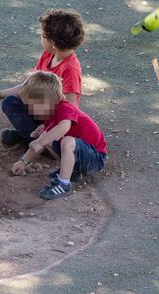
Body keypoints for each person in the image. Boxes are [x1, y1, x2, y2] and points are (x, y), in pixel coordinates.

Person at [0, 8, 85, 146]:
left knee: (20, 112)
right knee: (10, 102)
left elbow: (70, 110)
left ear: (52, 42)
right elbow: (29, 87)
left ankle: (39, 143)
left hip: (55, 121)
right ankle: (32, 137)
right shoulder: (48, 55)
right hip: (41, 110)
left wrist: (50, 129)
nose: (40, 38)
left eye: (42, 35)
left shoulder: (70, 69)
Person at [7, 71, 107, 200]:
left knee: (67, 141)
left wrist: (41, 141)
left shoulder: (65, 108)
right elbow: (41, 141)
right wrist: (23, 161)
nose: (30, 110)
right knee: (47, 137)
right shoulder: (50, 115)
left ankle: (64, 184)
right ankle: (72, 173)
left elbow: (64, 127)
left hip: (95, 157)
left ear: (45, 102)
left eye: (32, 106)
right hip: (82, 155)